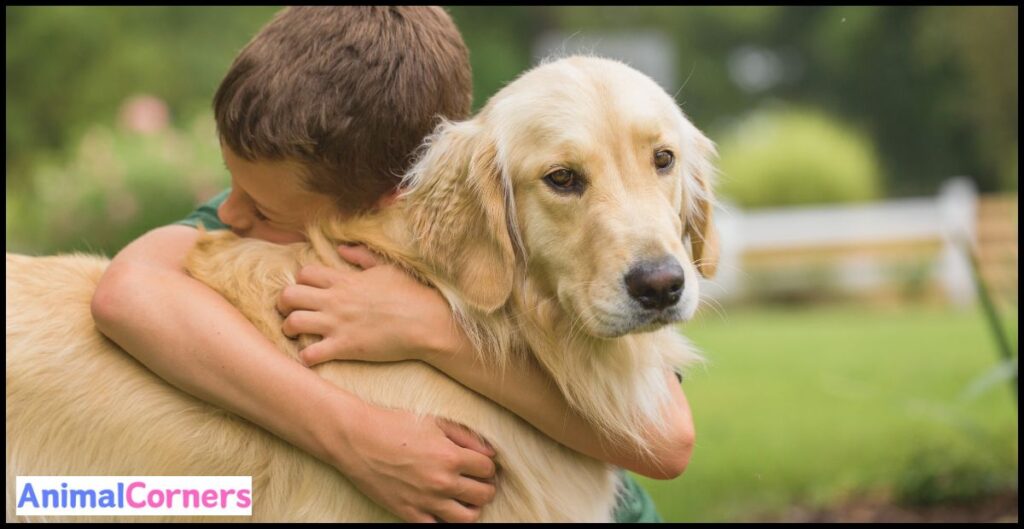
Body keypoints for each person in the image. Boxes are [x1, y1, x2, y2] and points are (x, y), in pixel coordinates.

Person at [90, 6, 693, 523]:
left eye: (263, 206)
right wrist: (353, 435)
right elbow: (127, 292)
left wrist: (431, 331)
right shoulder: (275, 196)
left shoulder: (468, 207)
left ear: (388, 202)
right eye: (231, 188)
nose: (233, 214)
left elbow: (666, 443)